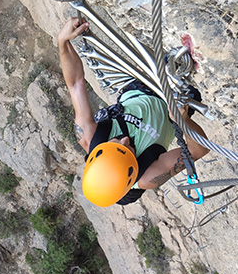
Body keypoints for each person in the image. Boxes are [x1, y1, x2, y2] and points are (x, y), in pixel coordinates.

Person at [58, 16, 210, 207]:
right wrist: (183, 121)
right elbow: (199, 150)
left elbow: (76, 84)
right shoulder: (147, 175)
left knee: (176, 48)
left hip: (142, 88)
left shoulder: (89, 136)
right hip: (177, 105)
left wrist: (63, 42)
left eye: (115, 143)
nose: (125, 139)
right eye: (128, 149)